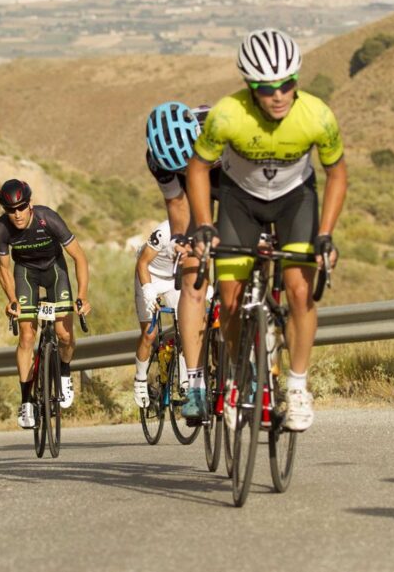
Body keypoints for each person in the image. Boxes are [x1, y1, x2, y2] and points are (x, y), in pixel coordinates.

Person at [188, 28, 348, 432]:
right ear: (249, 86)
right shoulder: (227, 115)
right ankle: (235, 375)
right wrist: (205, 224)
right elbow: (197, 168)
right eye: (265, 87)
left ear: (296, 80)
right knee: (229, 299)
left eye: (286, 84)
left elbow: (337, 174)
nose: (278, 95)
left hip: (296, 200)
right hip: (240, 200)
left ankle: (295, 386)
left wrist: (326, 232)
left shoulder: (317, 115)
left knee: (298, 289)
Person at [0, 178, 91, 429]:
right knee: (26, 336)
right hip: (25, 273)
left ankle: (65, 371)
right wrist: (12, 300)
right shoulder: (1, 229)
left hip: (54, 270)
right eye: (10, 210)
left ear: (30, 205)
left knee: (64, 335)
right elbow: (3, 269)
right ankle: (26, 402)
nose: (17, 214)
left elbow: (79, 257)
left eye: (21, 207)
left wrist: (83, 295)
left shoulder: (49, 219)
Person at [144, 101, 220, 423]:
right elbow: (176, 204)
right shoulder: (158, 161)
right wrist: (181, 241)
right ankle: (196, 385)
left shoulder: (219, 134)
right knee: (192, 277)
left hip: (226, 181)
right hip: (190, 194)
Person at [132, 219, 182, 407]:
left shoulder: (200, 230)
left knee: (186, 327)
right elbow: (142, 262)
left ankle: (186, 380)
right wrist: (147, 289)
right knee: (149, 333)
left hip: (174, 279)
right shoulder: (164, 231)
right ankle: (140, 379)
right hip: (148, 273)